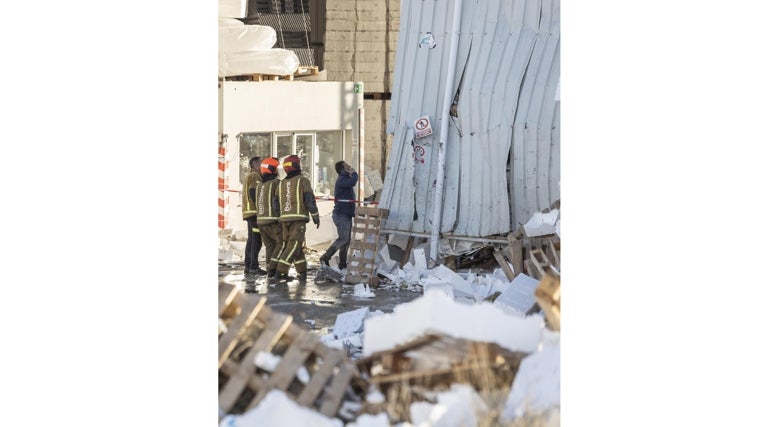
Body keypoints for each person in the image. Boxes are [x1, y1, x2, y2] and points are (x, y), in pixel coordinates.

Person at [274, 154, 320, 283]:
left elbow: (275, 202)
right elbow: (309, 199)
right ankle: (280, 272)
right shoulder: (302, 180)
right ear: (297, 166)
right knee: (293, 245)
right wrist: (315, 215)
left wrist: (279, 217)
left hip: (284, 220)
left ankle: (302, 272)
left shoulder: (282, 183)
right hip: (298, 219)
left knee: (296, 247)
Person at [320, 161, 358, 270]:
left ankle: (342, 264)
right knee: (343, 239)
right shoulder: (342, 179)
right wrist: (354, 173)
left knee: (346, 240)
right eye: (347, 166)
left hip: (347, 214)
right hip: (341, 214)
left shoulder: (344, 178)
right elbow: (352, 182)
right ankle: (325, 257)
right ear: (343, 169)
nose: (350, 166)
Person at [255, 157, 283, 280]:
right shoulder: (276, 183)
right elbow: (278, 201)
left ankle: (269, 270)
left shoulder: (260, 186)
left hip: (261, 220)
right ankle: (273, 268)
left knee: (270, 246)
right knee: (281, 243)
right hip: (273, 220)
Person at [242, 156, 265, 276]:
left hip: (249, 212)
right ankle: (253, 267)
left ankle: (249, 266)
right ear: (256, 164)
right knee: (256, 241)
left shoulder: (249, 176)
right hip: (254, 213)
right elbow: (253, 192)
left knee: (252, 240)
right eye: (261, 163)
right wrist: (261, 207)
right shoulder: (255, 176)